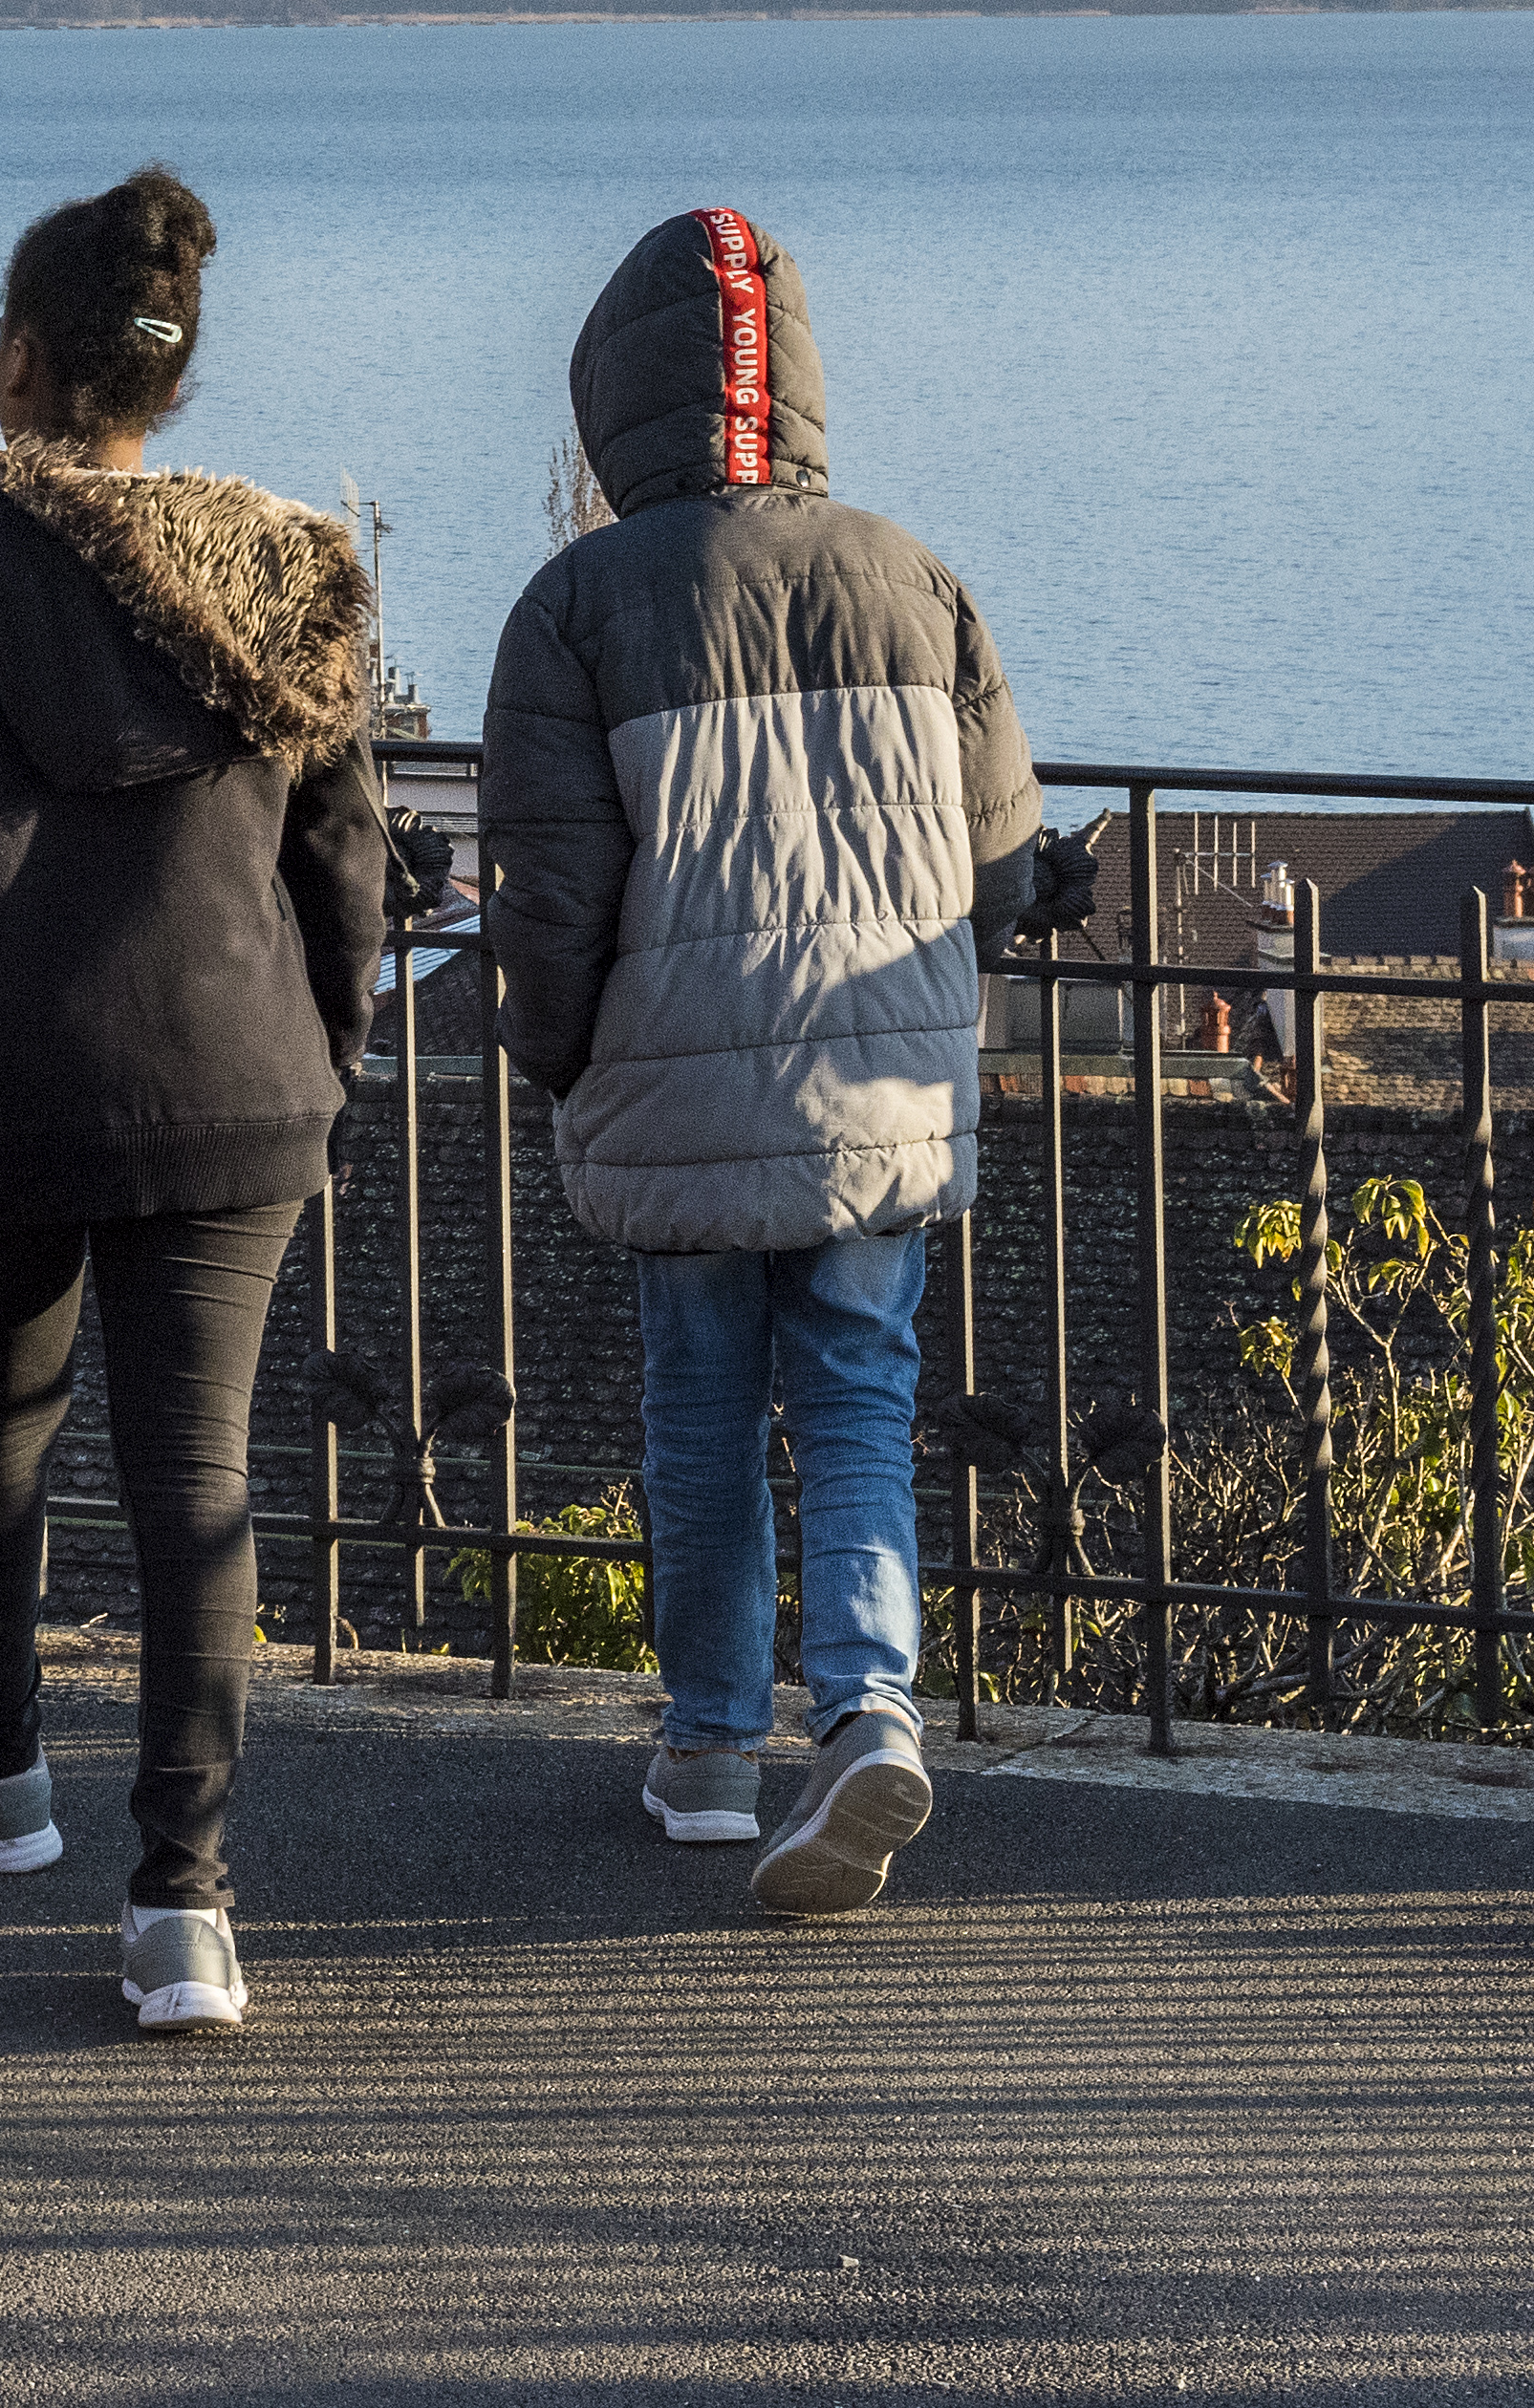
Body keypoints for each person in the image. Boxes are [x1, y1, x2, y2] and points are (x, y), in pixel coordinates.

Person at [0, 164, 394, 2036]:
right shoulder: (284, 565)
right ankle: (184, 1908)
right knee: (199, 1484)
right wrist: (323, 1054)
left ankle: (4, 1769)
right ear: (170, 380)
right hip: (233, 1085)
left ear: (18, 355)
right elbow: (346, 860)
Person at [485, 205, 1042, 1921]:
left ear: (614, 410)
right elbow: (1003, 863)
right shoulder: (914, 573)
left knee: (702, 1415)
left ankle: (712, 1745)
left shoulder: (572, 605)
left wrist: (559, 1057)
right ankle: (869, 1704)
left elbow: (552, 890)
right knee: (861, 1400)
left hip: (676, 1088)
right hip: (881, 1085)